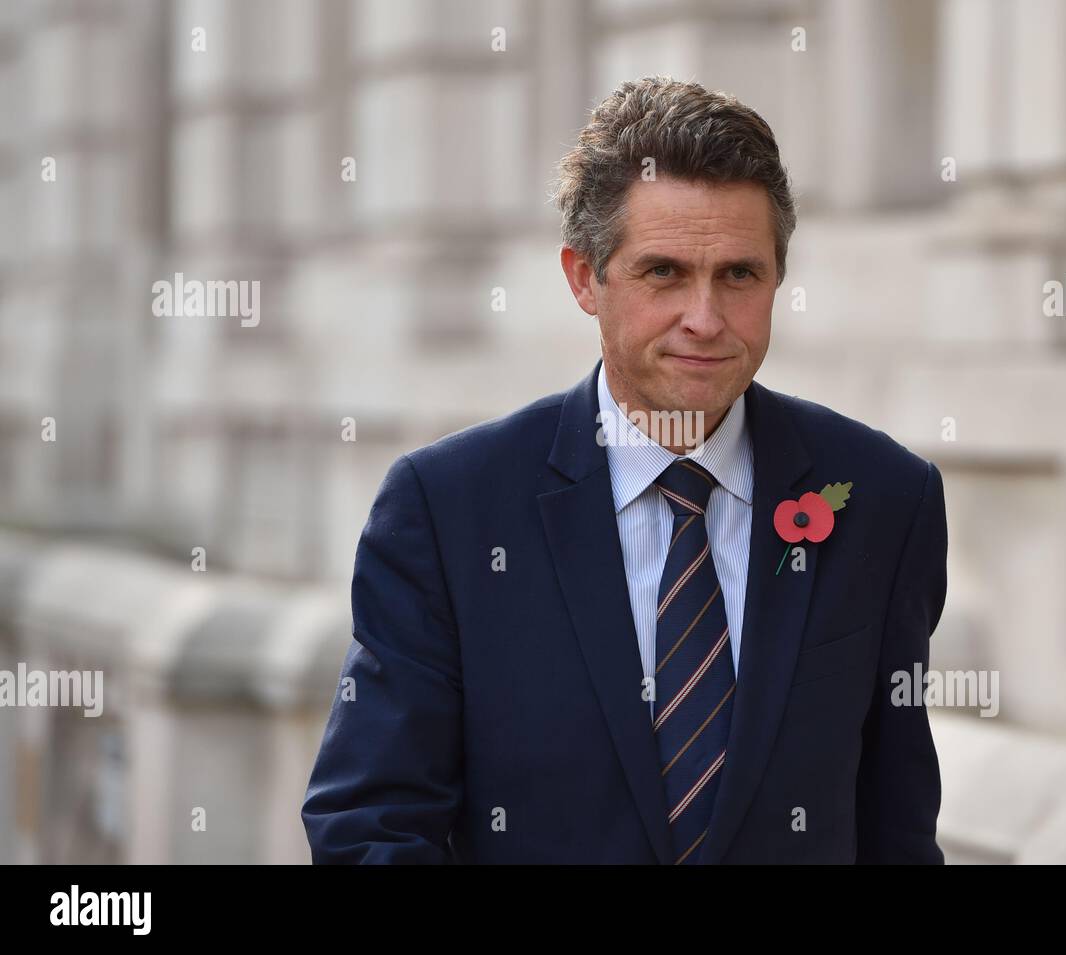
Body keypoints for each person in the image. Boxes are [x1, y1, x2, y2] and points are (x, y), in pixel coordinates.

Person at [302, 75, 947, 864]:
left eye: (739, 275)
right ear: (584, 278)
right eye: (664, 272)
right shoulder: (450, 510)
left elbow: (898, 833)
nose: (705, 319)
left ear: (777, 277)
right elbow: (369, 826)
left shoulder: (883, 499)